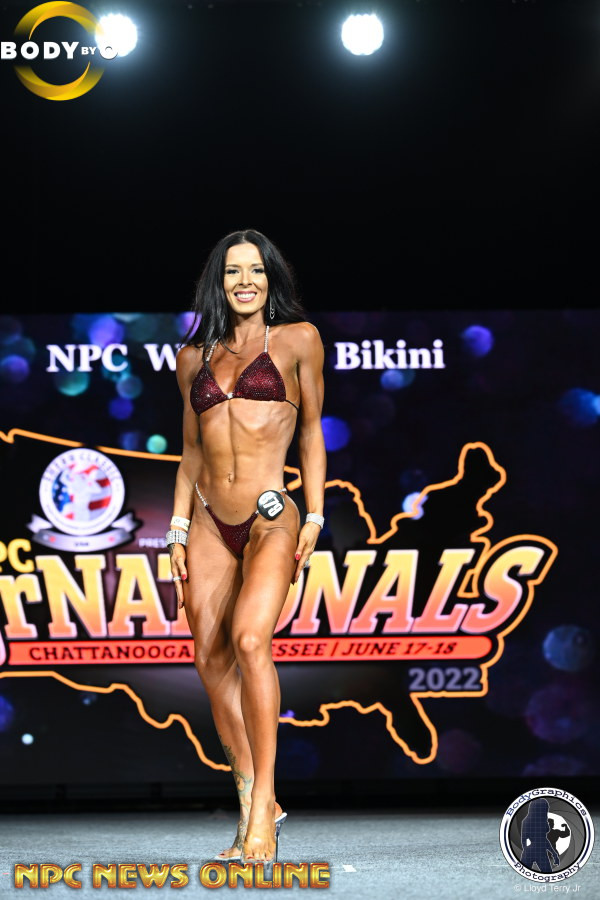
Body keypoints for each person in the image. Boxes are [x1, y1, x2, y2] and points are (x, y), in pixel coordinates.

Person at [167, 229, 326, 866]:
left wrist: (316, 514)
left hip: (270, 516)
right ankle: (251, 795)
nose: (245, 281)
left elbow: (311, 432)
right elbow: (190, 453)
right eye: (233, 271)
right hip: (208, 520)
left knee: (252, 641)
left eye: (255, 270)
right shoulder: (192, 358)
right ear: (219, 281)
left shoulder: (298, 340)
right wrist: (177, 529)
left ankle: (263, 807)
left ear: (270, 278)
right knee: (210, 663)